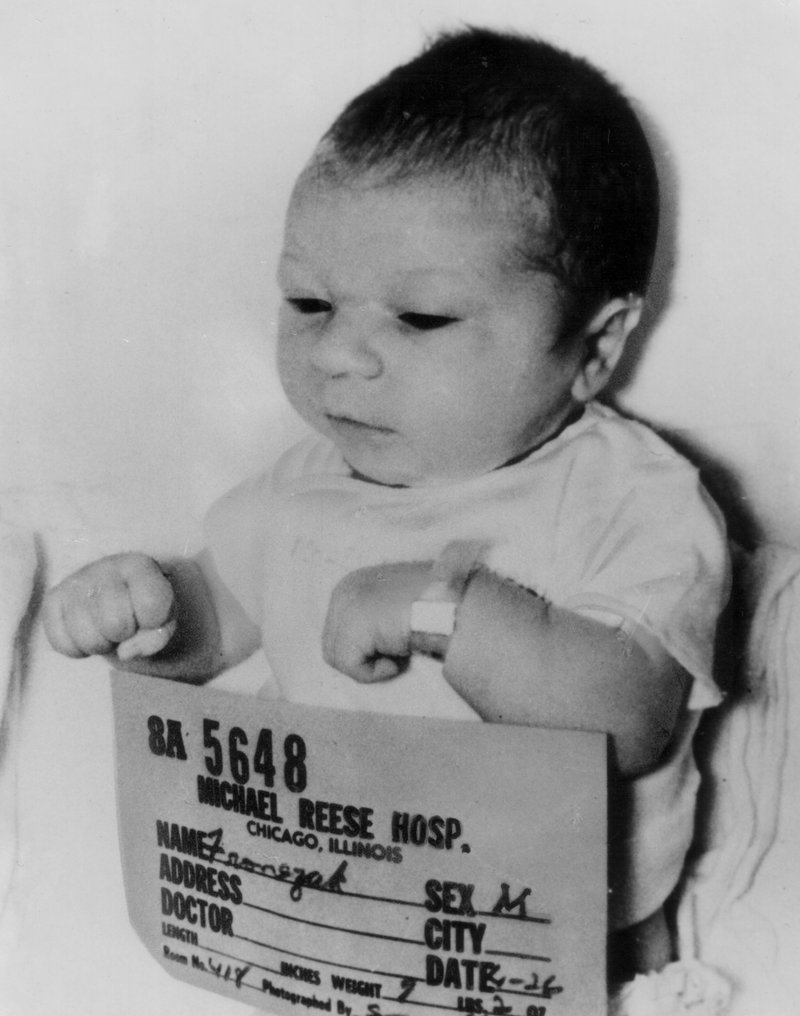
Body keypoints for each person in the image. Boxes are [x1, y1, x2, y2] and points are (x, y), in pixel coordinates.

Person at [42, 28, 730, 983]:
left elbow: (627, 724)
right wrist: (153, 612)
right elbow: (224, 617)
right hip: (338, 898)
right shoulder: (305, 482)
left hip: (554, 941)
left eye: (422, 318)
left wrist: (441, 610)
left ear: (597, 345)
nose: (338, 356)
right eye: (311, 303)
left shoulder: (631, 494)